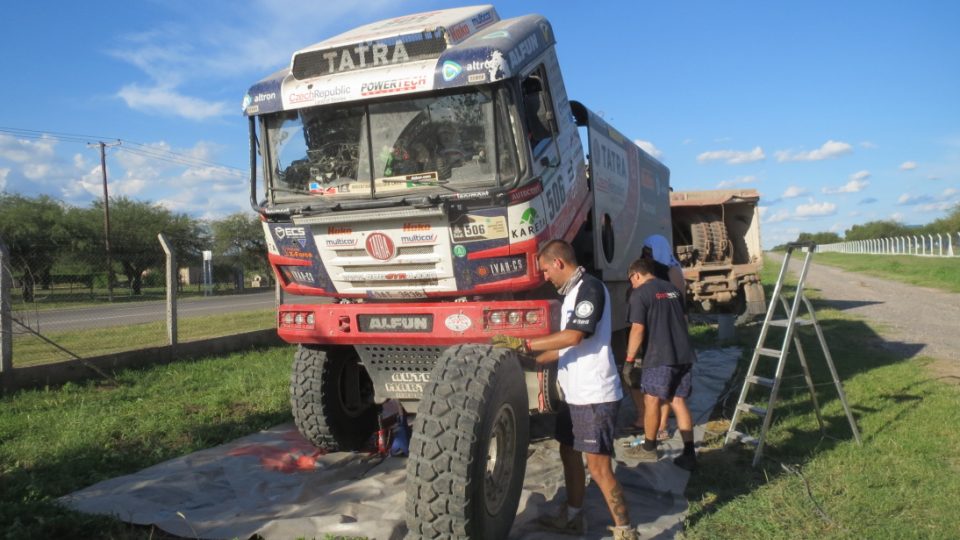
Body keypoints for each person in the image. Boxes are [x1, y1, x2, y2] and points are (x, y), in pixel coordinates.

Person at [492, 239, 637, 540]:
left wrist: (525, 343)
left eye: (545, 270)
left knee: (598, 468)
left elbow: (573, 337)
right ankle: (573, 518)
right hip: (574, 395)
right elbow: (564, 348)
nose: (545, 276)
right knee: (568, 450)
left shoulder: (590, 288)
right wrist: (528, 361)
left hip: (594, 394)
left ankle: (626, 531)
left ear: (558, 262)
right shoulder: (571, 292)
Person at [621, 257, 698, 471]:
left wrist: (629, 360)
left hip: (660, 356)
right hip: (683, 354)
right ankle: (689, 452)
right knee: (678, 401)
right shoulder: (672, 289)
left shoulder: (640, 293)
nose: (632, 285)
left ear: (636, 275)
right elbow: (682, 319)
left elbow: (638, 329)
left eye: (631, 280)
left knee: (651, 400)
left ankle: (649, 448)